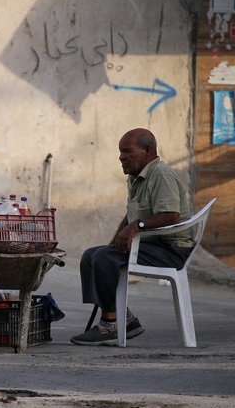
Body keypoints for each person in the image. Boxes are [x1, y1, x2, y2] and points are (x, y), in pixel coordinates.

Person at [70, 128, 194, 346]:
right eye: (120, 152)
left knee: (104, 258)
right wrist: (116, 238)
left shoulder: (160, 174)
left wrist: (136, 226)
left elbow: (170, 217)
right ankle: (125, 318)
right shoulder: (136, 176)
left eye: (127, 151)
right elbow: (132, 214)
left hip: (172, 249)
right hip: (153, 243)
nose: (121, 157)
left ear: (147, 151)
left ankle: (109, 324)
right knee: (92, 256)